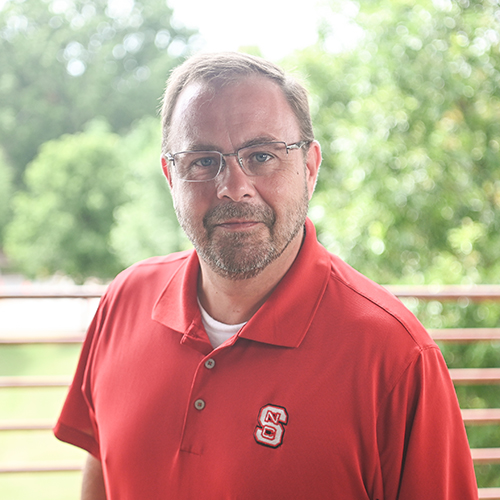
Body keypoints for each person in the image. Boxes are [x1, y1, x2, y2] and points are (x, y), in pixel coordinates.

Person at [54, 52, 478, 499]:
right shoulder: (125, 300)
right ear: (170, 175)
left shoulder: (396, 356)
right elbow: (101, 470)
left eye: (261, 155)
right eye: (202, 160)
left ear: (310, 168)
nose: (233, 186)